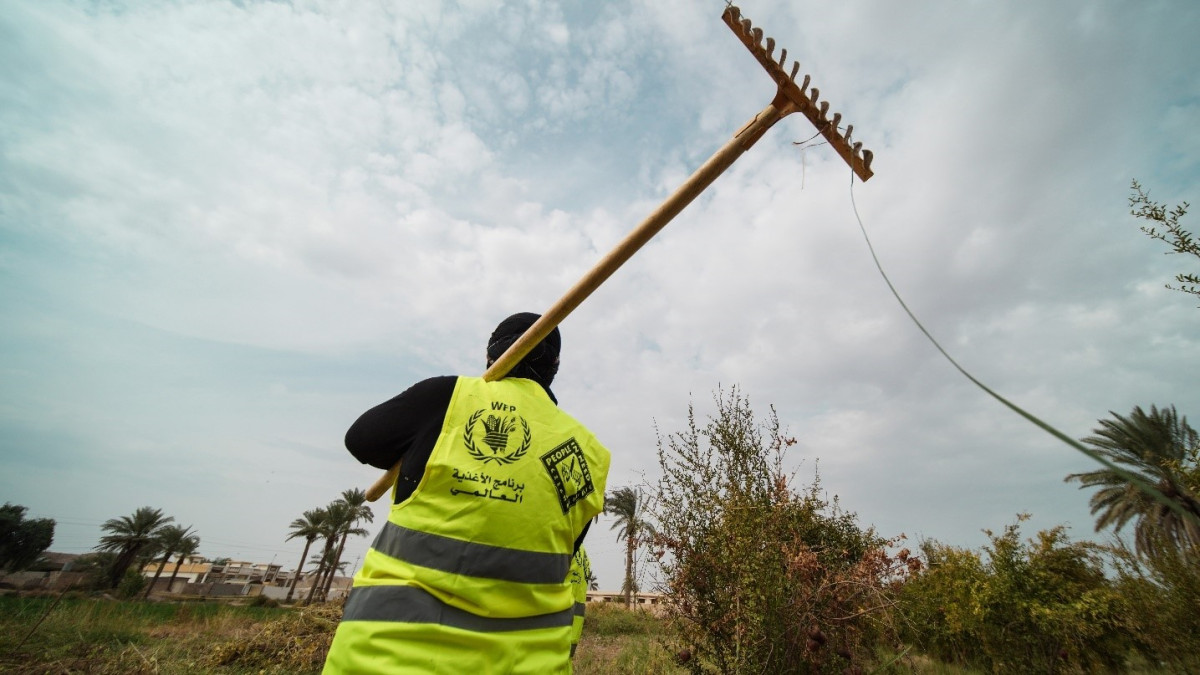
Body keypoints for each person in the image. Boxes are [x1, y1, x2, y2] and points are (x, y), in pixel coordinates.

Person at [323, 313, 611, 675]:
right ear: (554, 367)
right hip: (527, 664)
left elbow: (363, 441)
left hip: (385, 658)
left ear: (490, 356)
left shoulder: (445, 400)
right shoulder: (588, 453)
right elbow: (565, 548)